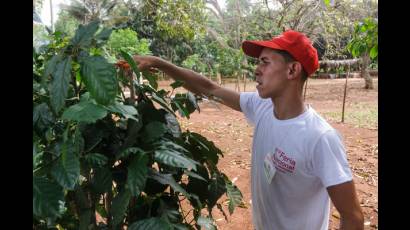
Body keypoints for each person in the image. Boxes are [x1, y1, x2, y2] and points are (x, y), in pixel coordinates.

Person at [132, 29, 364, 230]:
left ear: (292, 70)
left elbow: (352, 217)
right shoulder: (262, 106)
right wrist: (157, 62)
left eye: (265, 62)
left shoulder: (319, 137)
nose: (257, 70)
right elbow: (208, 87)